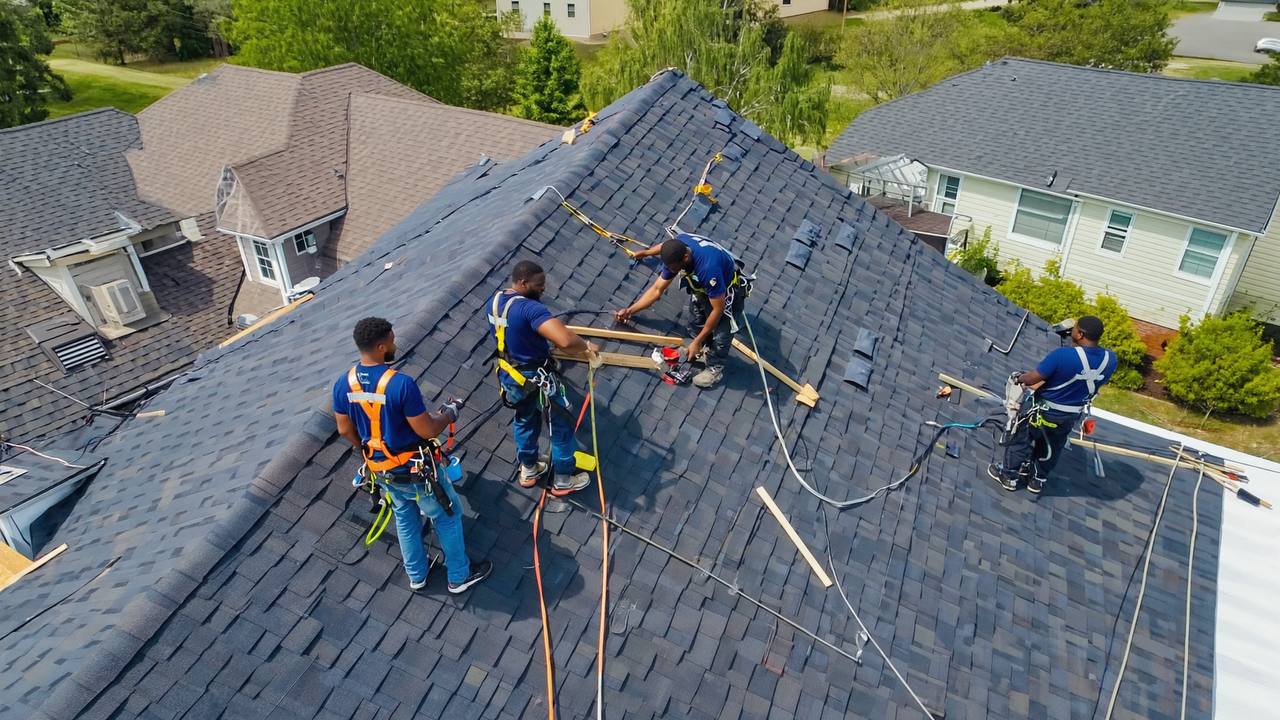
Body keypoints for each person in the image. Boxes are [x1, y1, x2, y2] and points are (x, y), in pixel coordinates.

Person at [333, 317, 491, 594]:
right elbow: (426, 429)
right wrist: (448, 414)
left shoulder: (343, 383)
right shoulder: (400, 384)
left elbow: (344, 429)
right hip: (414, 470)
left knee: (405, 517)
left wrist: (368, 450)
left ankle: (417, 575)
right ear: (381, 347)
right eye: (391, 341)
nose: (395, 345)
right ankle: (459, 576)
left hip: (382, 470)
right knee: (447, 516)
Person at [488, 261, 600, 494]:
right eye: (539, 284)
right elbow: (565, 341)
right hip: (536, 375)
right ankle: (563, 479)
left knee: (524, 419)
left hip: (511, 375)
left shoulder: (496, 301)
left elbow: (518, 332)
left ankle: (529, 468)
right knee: (561, 423)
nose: (543, 289)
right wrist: (586, 345)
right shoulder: (530, 309)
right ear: (523, 283)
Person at [989, 315, 1116, 494]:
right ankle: (1037, 480)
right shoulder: (1110, 359)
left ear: (1080, 334)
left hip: (1044, 411)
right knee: (1052, 445)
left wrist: (1019, 377)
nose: (1071, 330)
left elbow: (1033, 379)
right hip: (1069, 416)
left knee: (1021, 438)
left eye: (1074, 328)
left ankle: (1009, 476)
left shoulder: (1063, 356)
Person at [614, 233, 751, 389]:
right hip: (703, 287)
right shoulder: (679, 246)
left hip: (725, 293)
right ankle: (697, 347)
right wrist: (630, 310)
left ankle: (715, 367)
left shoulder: (708, 270)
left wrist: (697, 341)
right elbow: (657, 288)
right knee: (697, 317)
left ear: (685, 258)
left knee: (722, 330)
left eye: (673, 268)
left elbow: (718, 310)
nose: (670, 271)